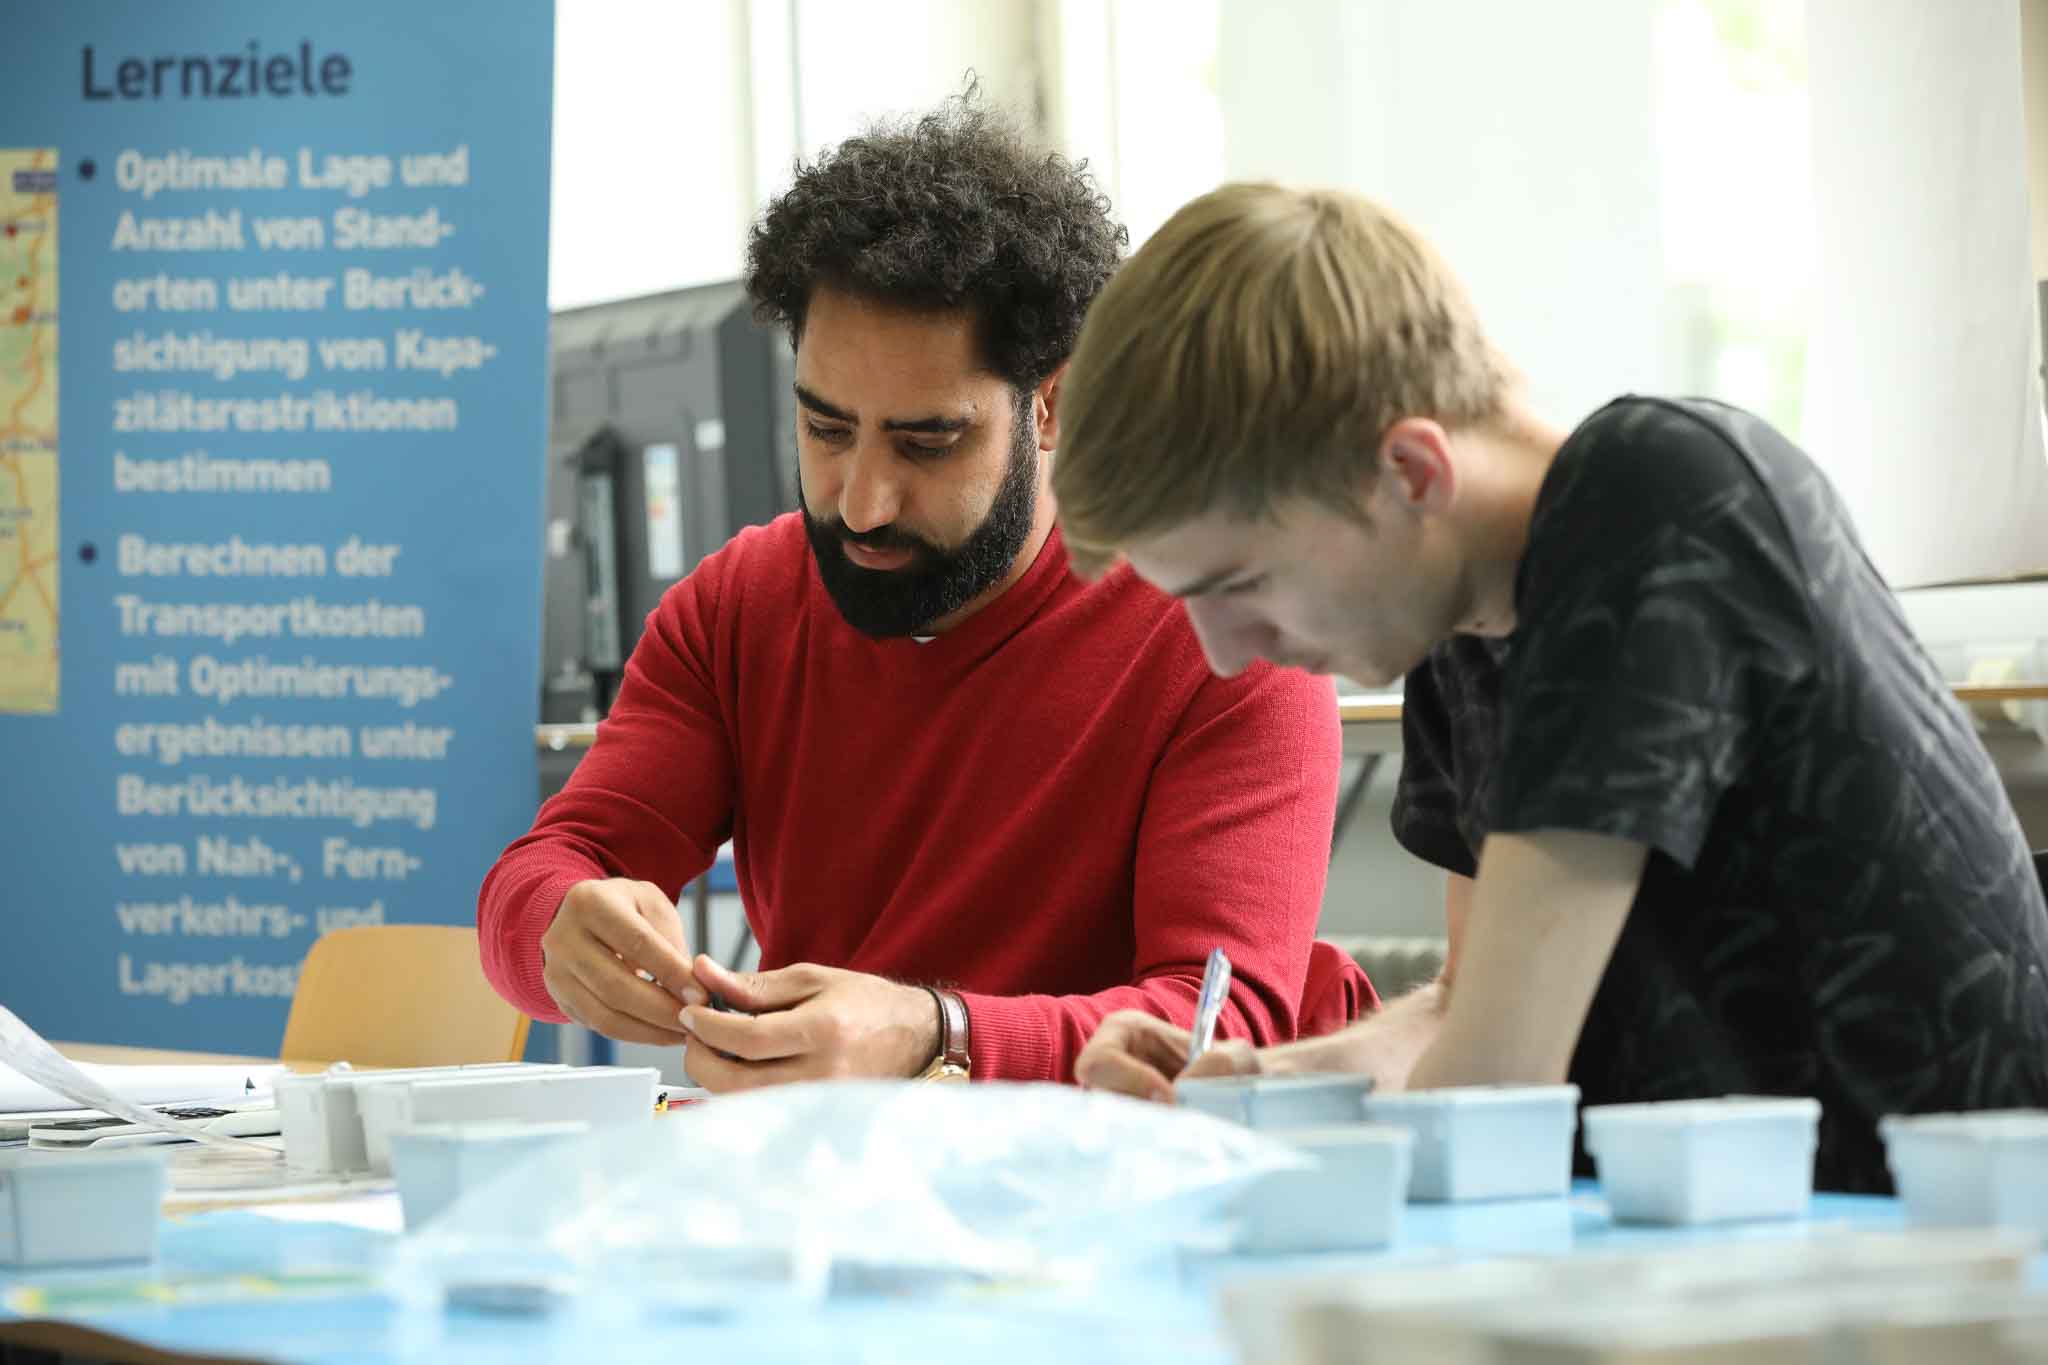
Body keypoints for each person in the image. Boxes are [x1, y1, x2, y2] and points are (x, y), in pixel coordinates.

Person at [1052, 182, 2048, 1192]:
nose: (1225, 655)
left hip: (1940, 1224)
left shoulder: (1650, 501)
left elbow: (1494, 1084)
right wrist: (1252, 1087)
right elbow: (1461, 1010)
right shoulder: (1455, 623)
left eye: (1241, 583)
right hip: (1737, 1221)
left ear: (1409, 471)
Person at [477, 104, 1375, 1091]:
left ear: (1051, 404)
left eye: (926, 442)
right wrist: (558, 927)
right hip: (835, 1166)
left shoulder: (1222, 629)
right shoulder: (738, 609)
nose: (862, 502)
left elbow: (1220, 1030)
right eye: (826, 430)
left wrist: (935, 1036)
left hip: (1125, 1172)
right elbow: (549, 868)